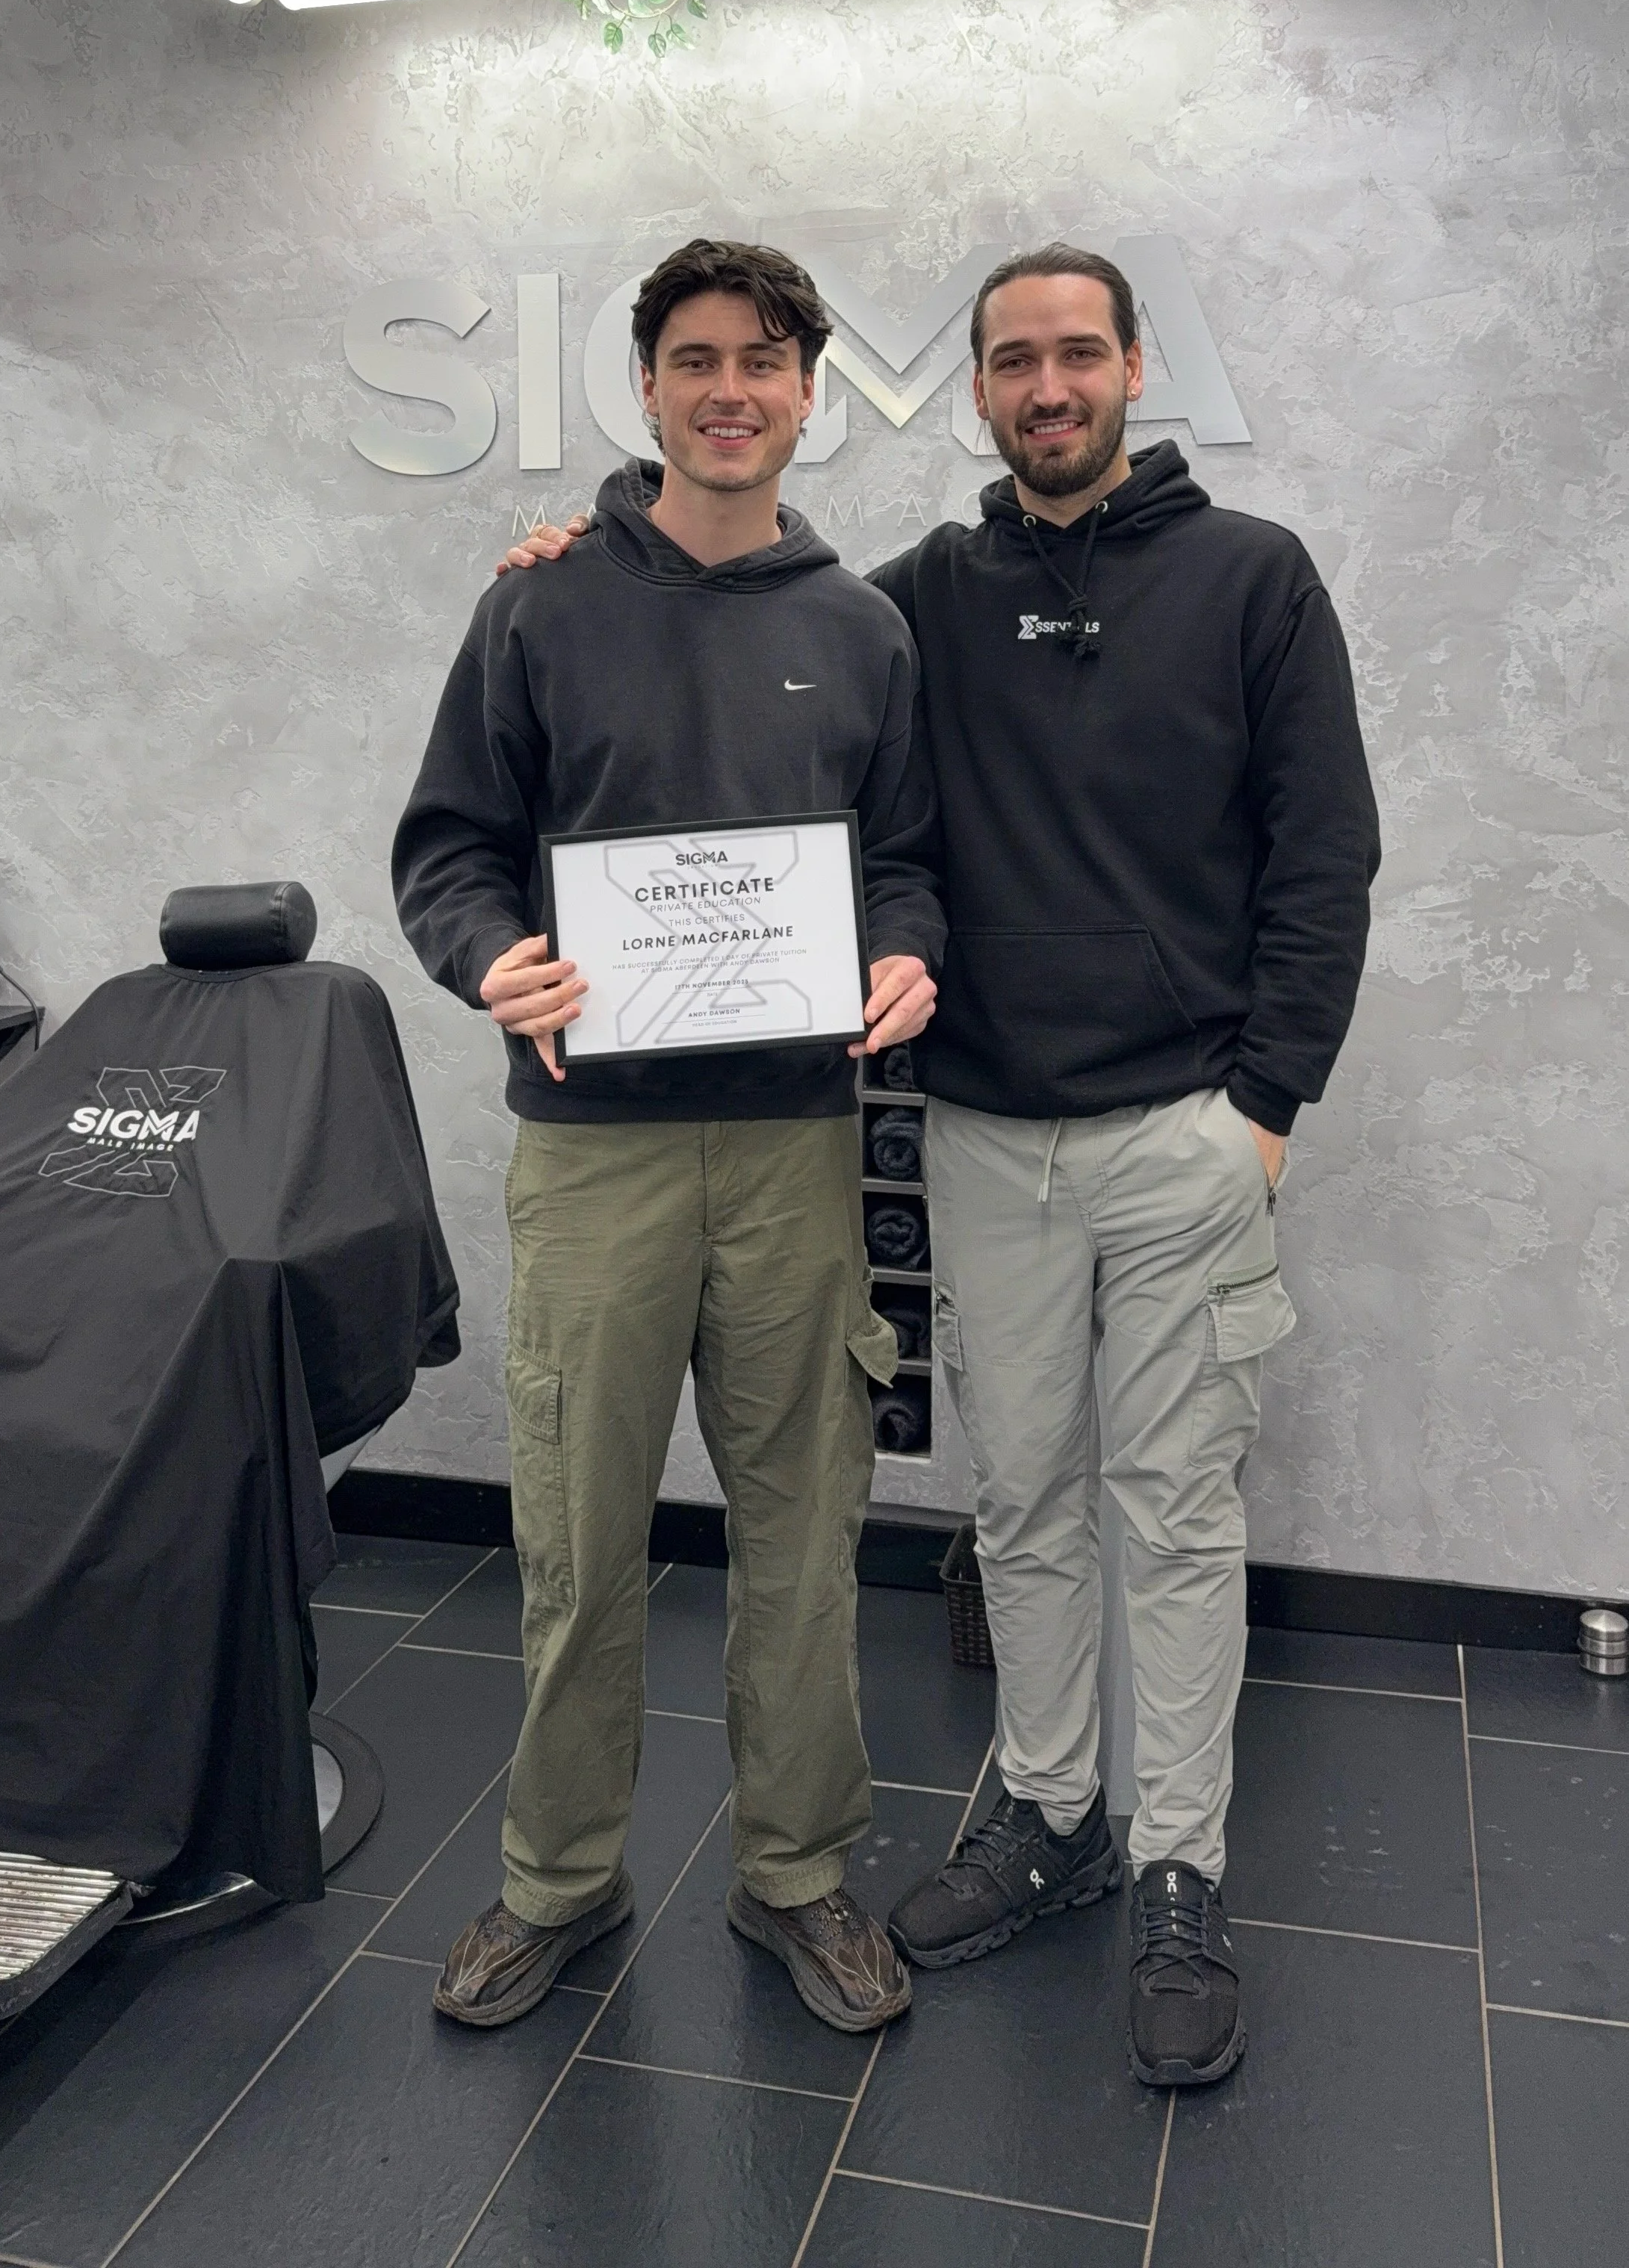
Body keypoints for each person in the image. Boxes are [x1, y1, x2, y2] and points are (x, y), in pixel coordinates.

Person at [497, 238, 1379, 2088]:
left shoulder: (1254, 578)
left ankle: (1180, 1870)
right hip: (980, 1135)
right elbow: (735, 615)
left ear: (1135, 367)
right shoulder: (908, 606)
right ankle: (1049, 1815)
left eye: (1078, 355)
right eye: (1013, 363)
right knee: (1028, 1503)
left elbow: (1325, 855)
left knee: (1178, 1510)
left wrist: (1268, 1108)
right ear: (970, 391)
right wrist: (578, 551)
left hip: (1182, 1135)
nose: (1047, 388)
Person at [393, 236, 943, 2039]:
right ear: (646, 386)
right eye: (695, 359)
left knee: (804, 1536)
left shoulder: (861, 629)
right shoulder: (540, 606)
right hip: (595, 1154)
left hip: (794, 1151)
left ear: (806, 395)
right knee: (575, 1532)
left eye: (765, 363)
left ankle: (799, 1877)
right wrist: (496, 962)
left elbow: (913, 858)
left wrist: (907, 954)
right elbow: (449, 849)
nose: (730, 390)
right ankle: (559, 1875)